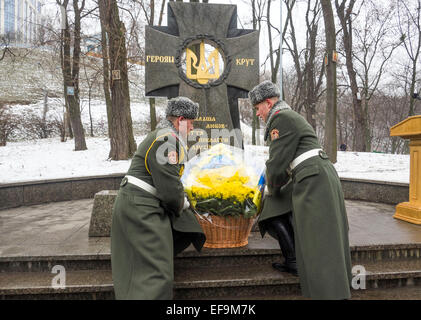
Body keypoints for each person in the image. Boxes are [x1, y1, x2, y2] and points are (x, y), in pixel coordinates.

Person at [248, 81, 352, 300]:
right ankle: (310, 274)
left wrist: (267, 189)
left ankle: (330, 293)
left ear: (268, 102)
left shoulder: (281, 118)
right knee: (318, 235)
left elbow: (276, 165)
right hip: (311, 176)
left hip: (313, 179)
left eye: (258, 108)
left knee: (319, 238)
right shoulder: (285, 116)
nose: (257, 113)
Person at [111, 96, 206, 300]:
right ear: (180, 119)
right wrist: (184, 203)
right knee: (157, 272)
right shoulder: (167, 140)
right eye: (190, 122)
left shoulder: (165, 136)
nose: (192, 128)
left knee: (148, 268)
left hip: (141, 205)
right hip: (141, 209)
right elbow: (169, 189)